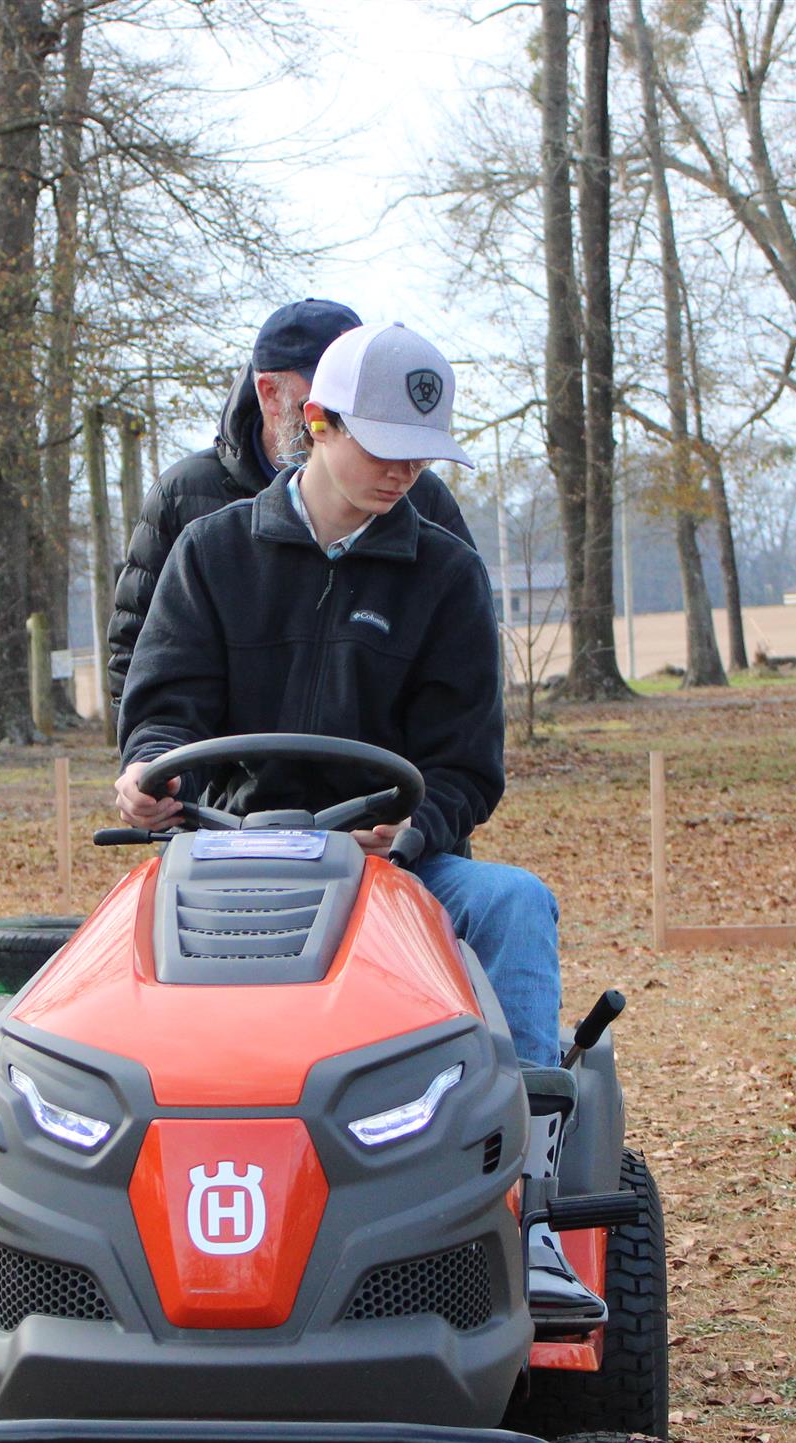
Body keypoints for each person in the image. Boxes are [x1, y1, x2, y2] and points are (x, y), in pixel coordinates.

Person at [112, 321, 601, 1330]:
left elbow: (465, 767)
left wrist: (413, 829)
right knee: (103, 966)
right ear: (318, 424)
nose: (403, 471)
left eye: (420, 452)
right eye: (383, 445)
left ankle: (531, 1214)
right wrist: (152, 775)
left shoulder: (444, 575)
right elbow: (163, 712)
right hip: (229, 862)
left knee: (514, 903)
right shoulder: (213, 554)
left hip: (396, 867)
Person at [103, 299, 473, 714]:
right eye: (323, 383)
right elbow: (143, 661)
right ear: (272, 394)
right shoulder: (190, 505)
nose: (401, 473)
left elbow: (461, 678)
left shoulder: (422, 502)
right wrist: (151, 743)